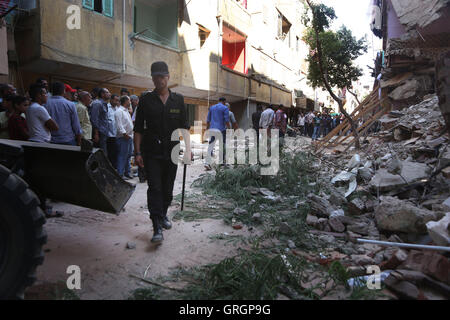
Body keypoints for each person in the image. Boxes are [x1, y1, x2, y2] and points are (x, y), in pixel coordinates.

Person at [134, 61, 190, 244]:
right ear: (152, 78)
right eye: (156, 76)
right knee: (155, 189)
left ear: (168, 77)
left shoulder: (179, 100)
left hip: (172, 152)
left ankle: (164, 214)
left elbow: (185, 127)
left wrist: (188, 149)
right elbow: (138, 129)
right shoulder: (145, 100)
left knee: (167, 189)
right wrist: (137, 153)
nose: (159, 79)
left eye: (162, 76)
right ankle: (157, 225)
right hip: (151, 153)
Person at [45, 81, 82, 146]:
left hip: (50, 140)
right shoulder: (70, 104)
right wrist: (79, 141)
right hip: (68, 140)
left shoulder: (45, 104)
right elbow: (76, 125)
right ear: (64, 91)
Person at [205, 97, 230, 170]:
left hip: (212, 129)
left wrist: (207, 129)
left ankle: (207, 163)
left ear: (218, 101)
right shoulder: (225, 108)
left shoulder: (212, 108)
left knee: (211, 146)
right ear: (224, 101)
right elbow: (227, 120)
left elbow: (208, 120)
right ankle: (222, 162)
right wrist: (229, 128)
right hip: (221, 129)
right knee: (222, 145)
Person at [115, 95, 134, 179]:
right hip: (123, 137)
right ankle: (120, 174)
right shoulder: (119, 111)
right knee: (122, 156)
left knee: (129, 155)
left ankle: (127, 172)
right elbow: (119, 125)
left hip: (129, 137)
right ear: (125, 101)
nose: (130, 102)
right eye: (129, 100)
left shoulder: (126, 111)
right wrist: (124, 134)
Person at [90, 88, 110, 153]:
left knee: (103, 153)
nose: (109, 94)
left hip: (104, 133)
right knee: (100, 153)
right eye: (107, 92)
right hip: (99, 133)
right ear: (102, 94)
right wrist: (96, 134)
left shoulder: (104, 104)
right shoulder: (97, 103)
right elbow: (94, 119)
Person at [106, 94, 119, 169]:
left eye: (118, 100)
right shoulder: (107, 108)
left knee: (116, 153)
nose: (117, 102)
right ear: (111, 99)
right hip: (110, 135)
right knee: (110, 153)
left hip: (117, 135)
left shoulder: (118, 109)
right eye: (115, 100)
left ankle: (115, 168)